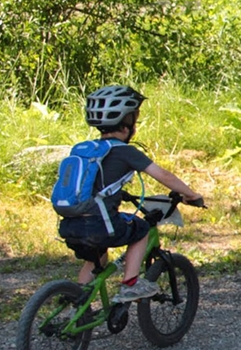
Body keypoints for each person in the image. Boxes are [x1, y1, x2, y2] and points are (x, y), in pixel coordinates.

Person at [59, 85, 204, 302]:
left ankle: (77, 302)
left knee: (97, 257)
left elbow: (96, 185)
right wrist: (191, 194)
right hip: (100, 224)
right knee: (141, 228)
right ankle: (130, 284)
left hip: (69, 224)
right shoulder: (125, 151)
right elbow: (164, 176)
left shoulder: (86, 150)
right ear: (128, 124)